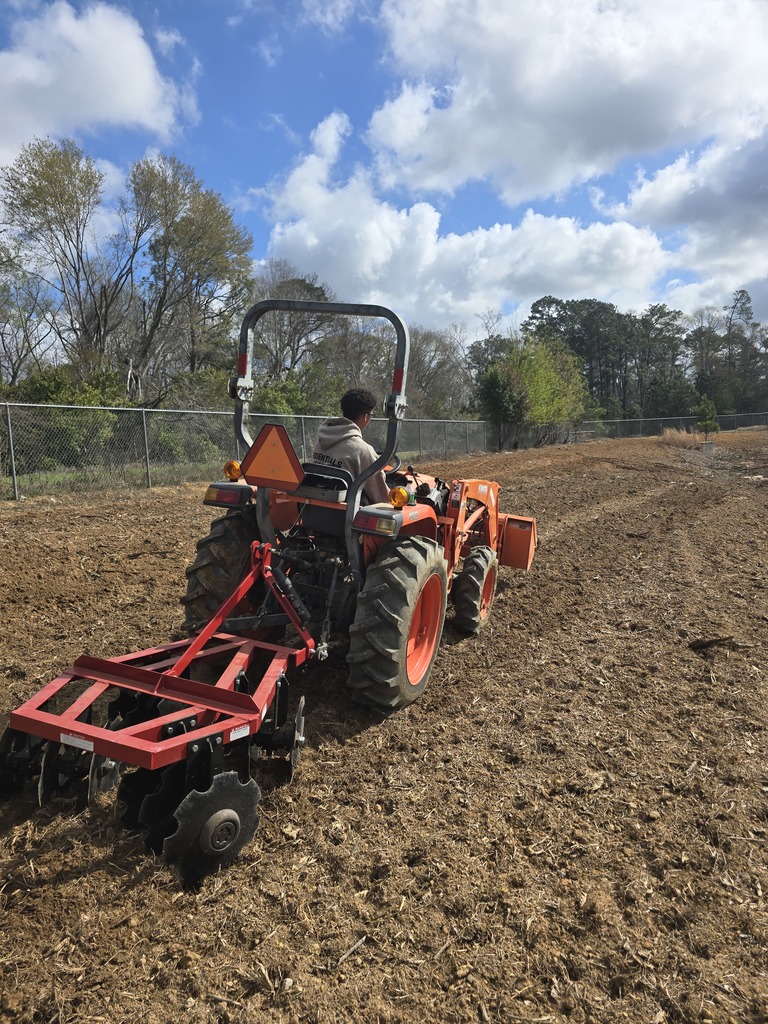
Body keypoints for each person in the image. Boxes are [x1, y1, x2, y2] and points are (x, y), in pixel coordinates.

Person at [312, 387, 390, 504]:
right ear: (365, 416)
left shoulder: (321, 441)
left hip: (316, 510)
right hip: (347, 516)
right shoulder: (363, 450)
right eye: (371, 414)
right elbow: (380, 497)